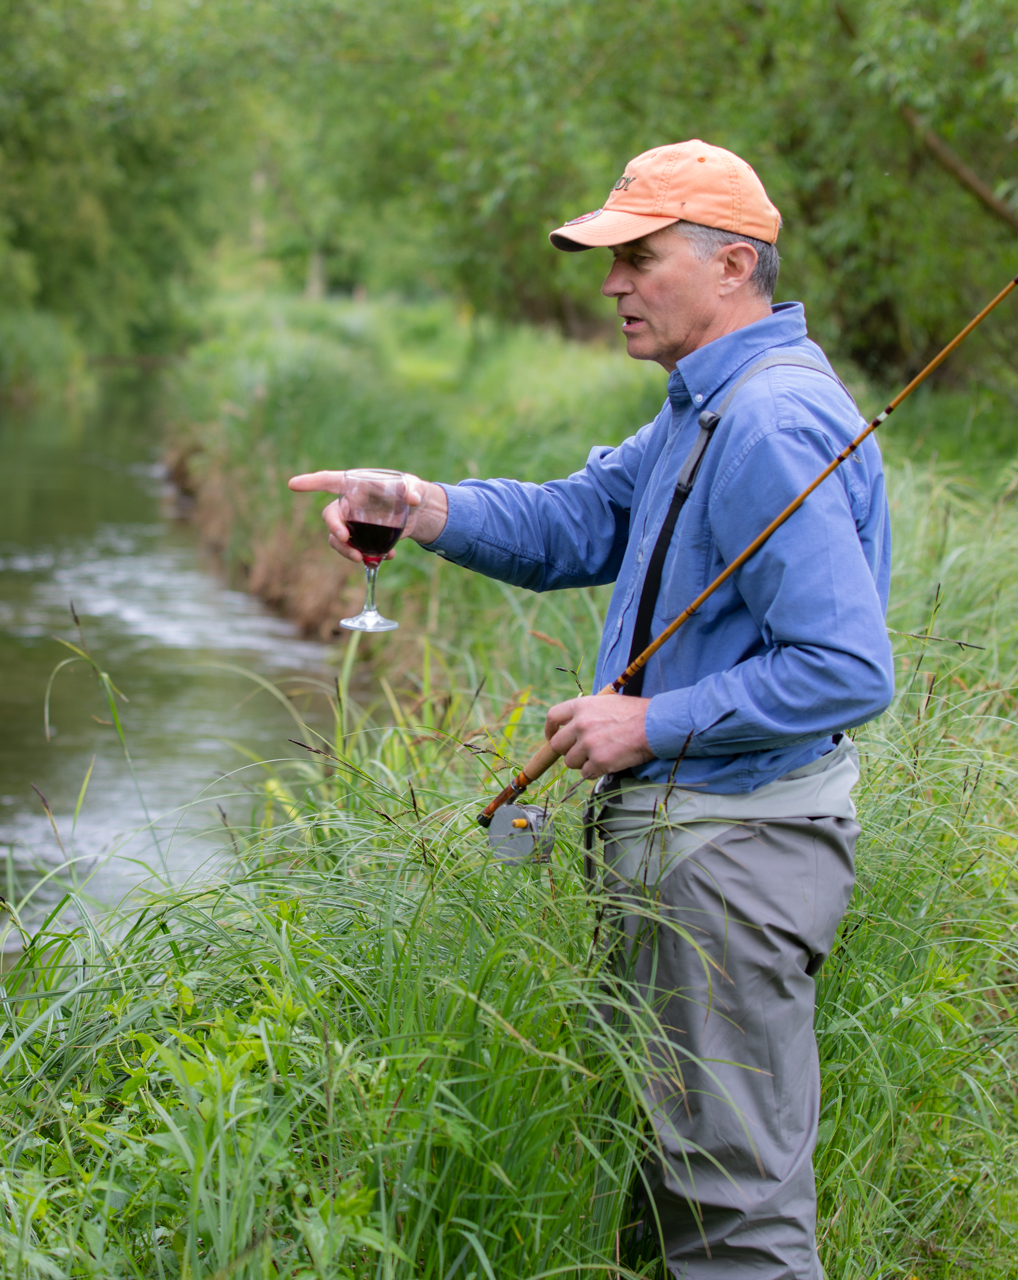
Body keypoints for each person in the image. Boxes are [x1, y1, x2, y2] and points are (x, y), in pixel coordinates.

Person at [288, 139, 895, 1279]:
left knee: (735, 1213)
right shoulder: (703, 406)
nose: (612, 282)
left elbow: (848, 667)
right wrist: (420, 505)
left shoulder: (768, 422)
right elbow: (580, 522)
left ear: (732, 265)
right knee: (671, 1184)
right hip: (695, 852)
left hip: (736, 857)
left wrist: (648, 723)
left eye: (639, 257)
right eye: (610, 259)